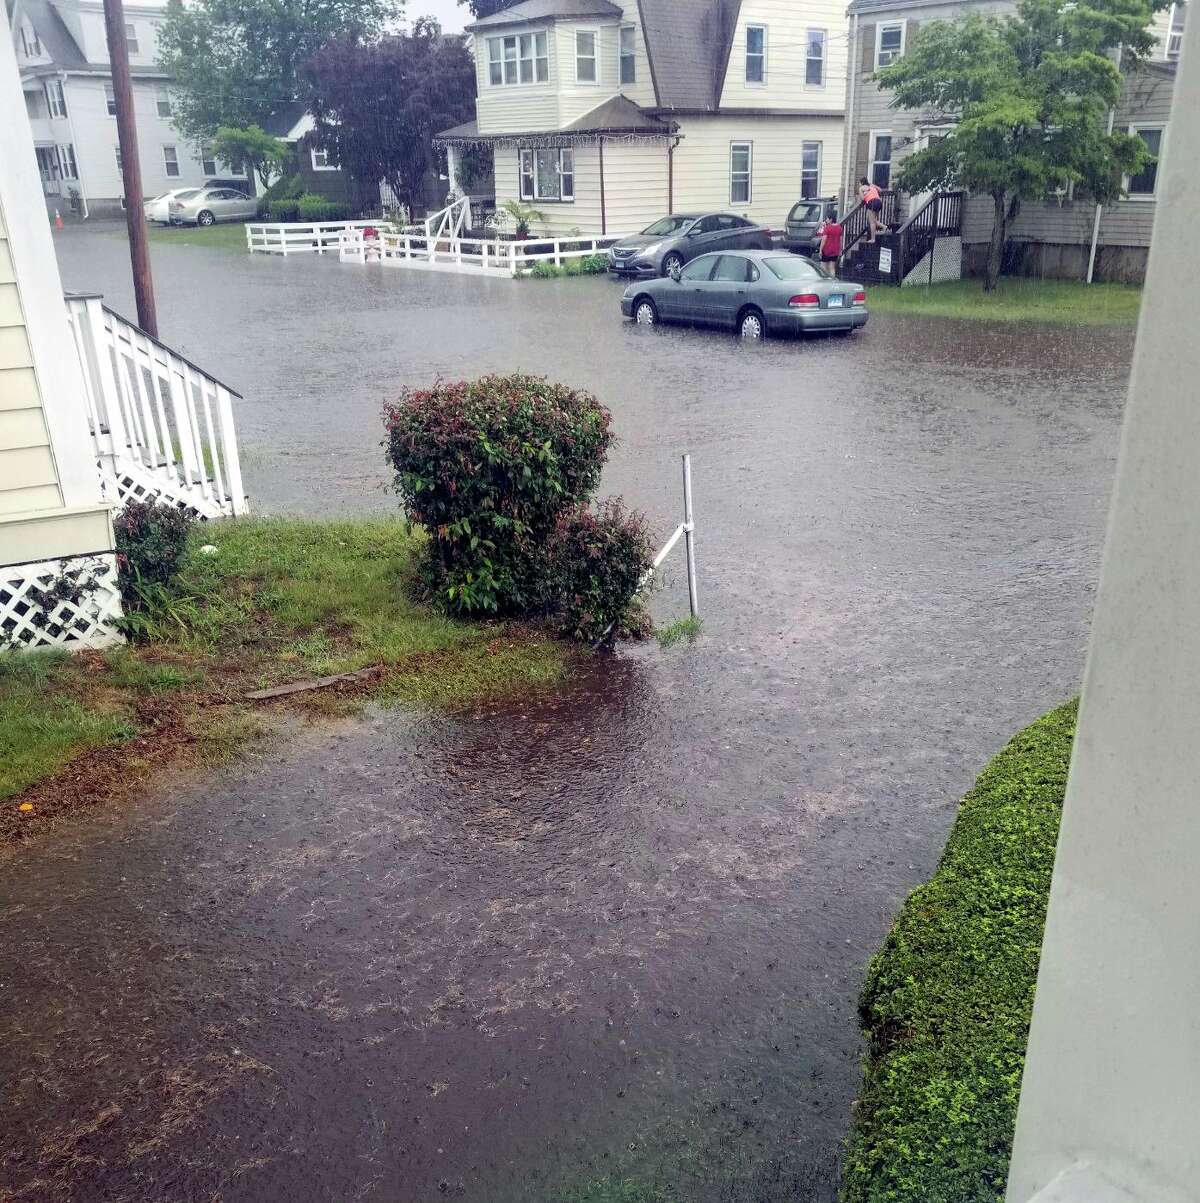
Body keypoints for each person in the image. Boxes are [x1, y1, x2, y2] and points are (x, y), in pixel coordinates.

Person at [858, 177, 885, 243]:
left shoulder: (861, 188)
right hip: (879, 202)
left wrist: (864, 194)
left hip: (872, 202)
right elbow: (880, 190)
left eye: (859, 183)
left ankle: (873, 239)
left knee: (872, 222)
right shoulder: (872, 185)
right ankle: (884, 226)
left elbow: (862, 199)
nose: (859, 184)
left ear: (861, 183)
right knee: (871, 218)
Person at [815, 212, 842, 276]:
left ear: (831, 219)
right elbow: (840, 240)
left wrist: (820, 250)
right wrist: (840, 250)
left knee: (823, 266)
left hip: (826, 250)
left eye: (827, 219)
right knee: (832, 267)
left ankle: (826, 280)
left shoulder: (827, 228)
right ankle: (832, 280)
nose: (826, 220)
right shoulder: (840, 228)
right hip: (835, 251)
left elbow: (824, 240)